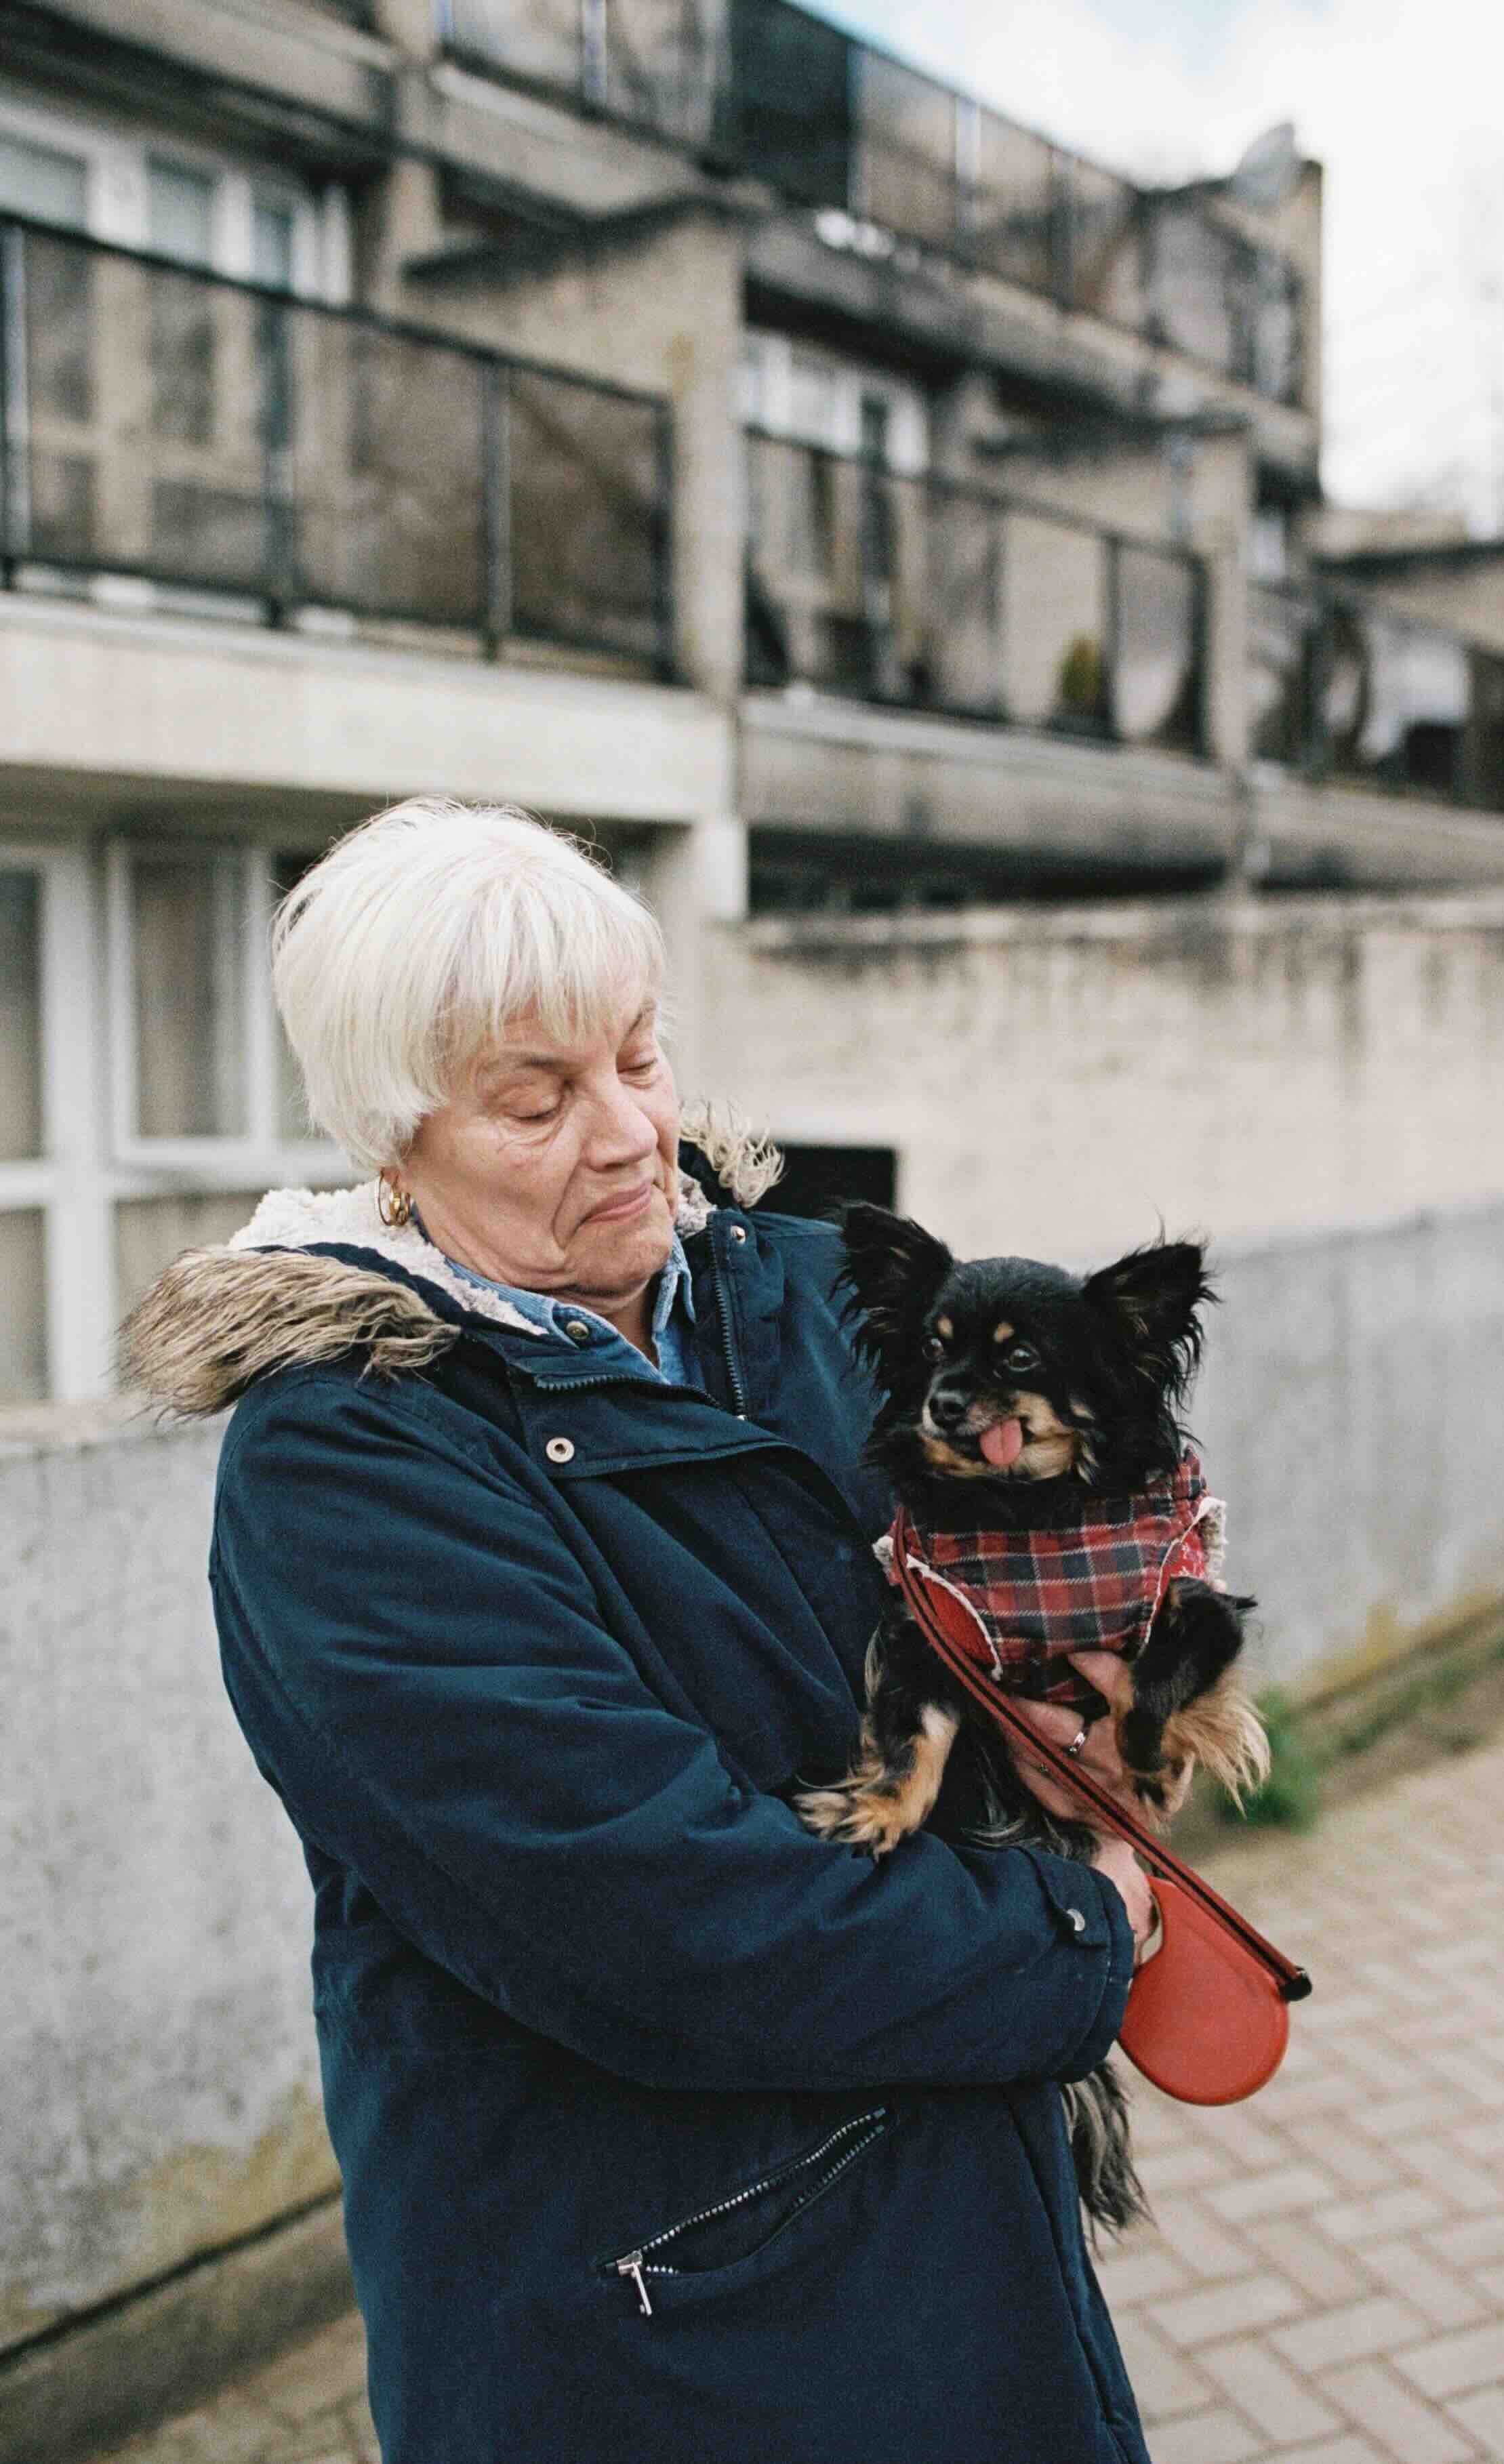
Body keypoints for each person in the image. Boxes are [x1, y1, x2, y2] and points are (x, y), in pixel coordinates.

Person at [125, 797, 1161, 2464]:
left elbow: (1065, 1528)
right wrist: (1071, 1933)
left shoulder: (819, 1294)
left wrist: (1091, 1675)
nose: (627, 1134)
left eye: (638, 1055)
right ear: (393, 1141)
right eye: (535, 1099)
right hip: (651, 2309)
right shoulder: (351, 1462)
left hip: (955, 2211)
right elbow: (651, 1913)